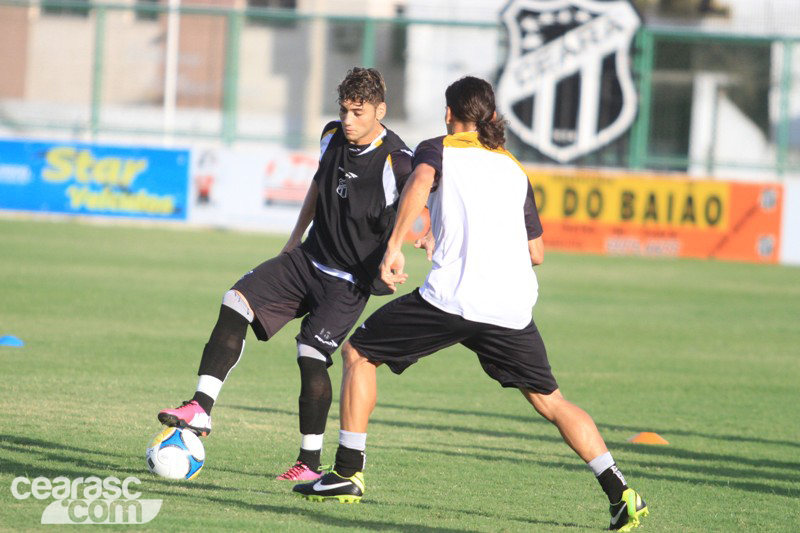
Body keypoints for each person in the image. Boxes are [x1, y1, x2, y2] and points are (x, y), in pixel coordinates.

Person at [294, 76, 649, 531]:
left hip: (454, 299)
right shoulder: (514, 168)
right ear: (491, 118)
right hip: (512, 308)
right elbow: (536, 252)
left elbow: (420, 185)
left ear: (448, 114)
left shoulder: (438, 148)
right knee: (552, 401)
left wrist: (396, 245)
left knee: (360, 352)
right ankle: (620, 491)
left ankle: (346, 472)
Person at [157, 67, 413, 481]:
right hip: (307, 259)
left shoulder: (397, 161)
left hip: (348, 281)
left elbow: (424, 196)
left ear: (380, 111)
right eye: (344, 110)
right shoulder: (331, 136)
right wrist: (294, 238)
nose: (348, 120)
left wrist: (409, 244)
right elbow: (319, 184)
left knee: (311, 356)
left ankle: (308, 465)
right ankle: (201, 407)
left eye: (359, 113)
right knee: (235, 301)